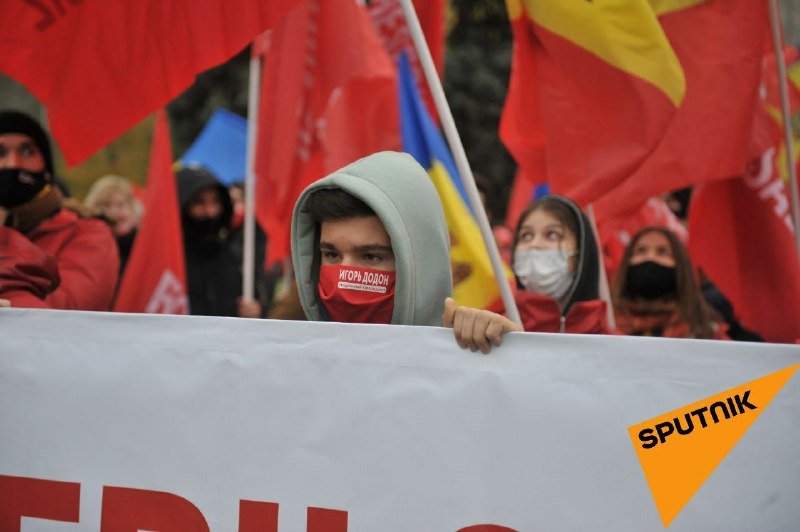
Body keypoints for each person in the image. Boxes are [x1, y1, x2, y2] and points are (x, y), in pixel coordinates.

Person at [291, 151, 521, 352]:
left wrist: (513, 351)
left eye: (371, 256)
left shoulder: (469, 352)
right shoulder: (289, 355)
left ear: (420, 262)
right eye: (332, 255)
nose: (344, 278)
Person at [445, 194, 614, 347]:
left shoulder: (615, 344)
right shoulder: (490, 330)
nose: (534, 244)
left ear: (581, 253)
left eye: (552, 234)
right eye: (526, 236)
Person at [0, 110, 119, 310]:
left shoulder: (88, 233)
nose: (13, 163)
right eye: (1, 153)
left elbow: (68, 312)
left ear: (47, 170)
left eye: (27, 151)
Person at [176, 164, 266, 318]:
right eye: (199, 202)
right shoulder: (170, 257)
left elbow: (253, 298)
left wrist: (256, 310)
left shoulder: (232, 254)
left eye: (215, 202)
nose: (210, 211)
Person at [612, 227, 727, 339]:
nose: (650, 257)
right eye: (640, 251)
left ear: (681, 267)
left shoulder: (708, 332)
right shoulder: (604, 325)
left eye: (662, 252)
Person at [84, 174, 141, 274]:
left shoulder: (145, 246)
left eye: (120, 204)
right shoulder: (89, 251)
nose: (115, 211)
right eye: (107, 206)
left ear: (132, 208)